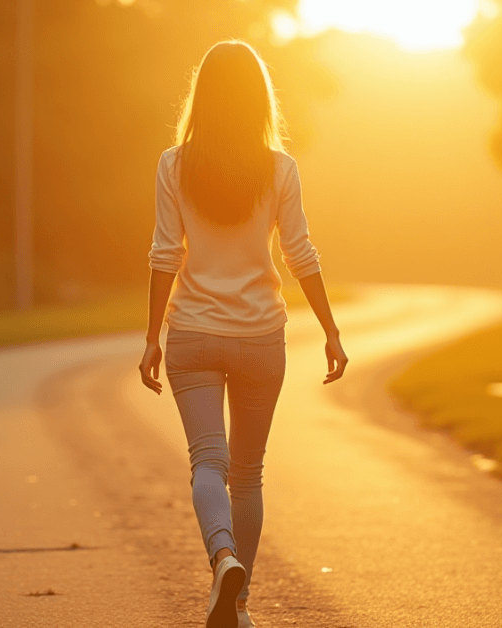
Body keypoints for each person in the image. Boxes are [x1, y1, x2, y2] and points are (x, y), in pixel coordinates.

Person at [138, 40, 348, 628]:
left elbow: (164, 253)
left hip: (193, 334)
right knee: (248, 473)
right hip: (260, 337)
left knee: (208, 461)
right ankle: (240, 603)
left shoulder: (173, 164)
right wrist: (329, 330)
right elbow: (301, 253)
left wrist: (153, 337)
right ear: (260, 98)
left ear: (201, 96)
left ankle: (222, 557)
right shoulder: (279, 168)